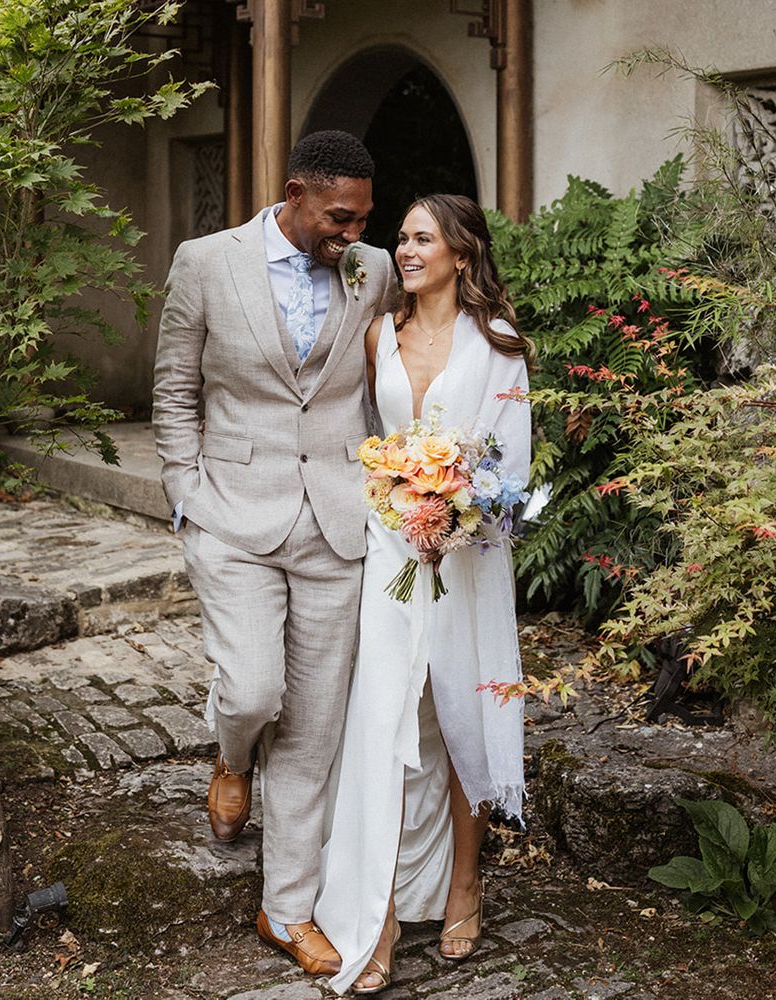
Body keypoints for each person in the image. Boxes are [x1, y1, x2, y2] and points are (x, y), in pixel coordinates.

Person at [152, 130, 398, 977]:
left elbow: (387, 380)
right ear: (294, 193)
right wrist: (185, 494)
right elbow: (175, 389)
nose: (353, 235)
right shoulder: (205, 262)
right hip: (232, 514)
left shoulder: (372, 271)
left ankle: (285, 909)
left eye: (362, 221)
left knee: (317, 727)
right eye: (339, 217)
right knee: (254, 688)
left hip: (338, 520)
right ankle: (229, 755)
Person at [314, 193, 534, 994]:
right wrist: (401, 502)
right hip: (391, 548)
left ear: (462, 253)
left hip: (469, 558)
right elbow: (365, 443)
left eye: (421, 238)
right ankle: (373, 915)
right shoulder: (380, 333)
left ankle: (463, 886)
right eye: (401, 238)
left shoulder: (501, 346)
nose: (404, 250)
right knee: (385, 715)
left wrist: (463, 519)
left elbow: (512, 471)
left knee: (460, 710)